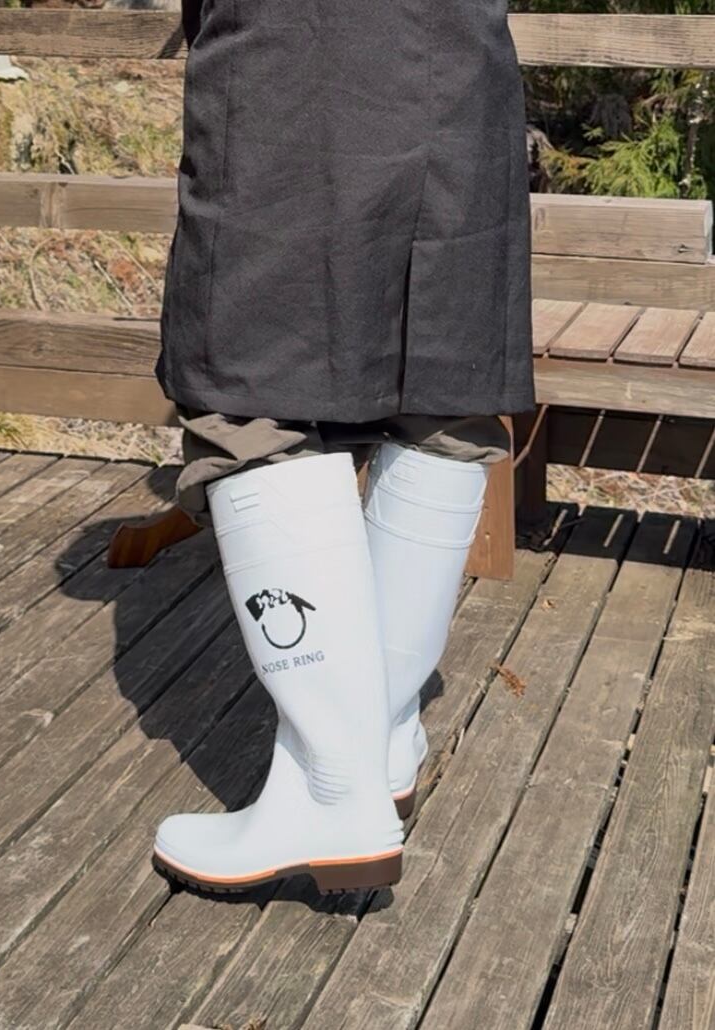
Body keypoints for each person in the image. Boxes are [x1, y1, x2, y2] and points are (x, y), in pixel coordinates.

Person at [150, 0, 535, 894]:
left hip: (287, 61)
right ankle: (382, 739)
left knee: (247, 390)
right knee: (442, 385)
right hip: (457, 60)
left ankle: (333, 789)